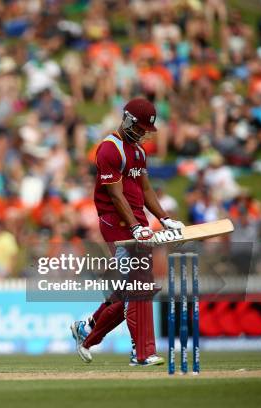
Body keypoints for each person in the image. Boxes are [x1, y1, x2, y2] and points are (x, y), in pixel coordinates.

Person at [70, 97, 185, 366]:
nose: (144, 133)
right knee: (138, 286)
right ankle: (140, 352)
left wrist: (165, 219)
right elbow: (116, 195)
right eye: (141, 128)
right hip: (115, 224)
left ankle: (87, 328)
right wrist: (134, 227)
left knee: (130, 289)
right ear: (128, 120)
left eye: (147, 130)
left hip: (137, 223)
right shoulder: (110, 149)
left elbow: (145, 190)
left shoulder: (139, 151)